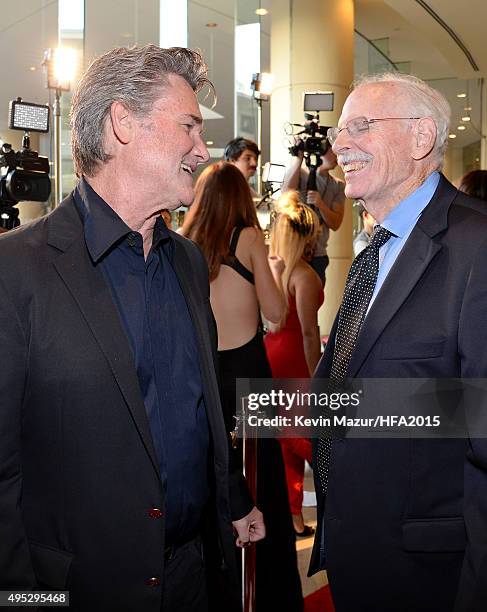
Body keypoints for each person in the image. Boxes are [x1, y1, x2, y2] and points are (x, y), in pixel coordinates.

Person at [0, 44, 264, 612]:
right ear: (123, 123)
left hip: (195, 576)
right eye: (189, 127)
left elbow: (198, 410)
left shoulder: (189, 262)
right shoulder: (16, 271)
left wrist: (232, 497)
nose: (203, 148)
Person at [310, 72, 487, 612]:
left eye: (361, 126)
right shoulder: (374, 251)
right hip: (357, 553)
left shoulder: (477, 246)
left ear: (421, 138)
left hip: (434, 573)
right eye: (341, 130)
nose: (340, 144)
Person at [182, 161, 303, 611]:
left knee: (213, 474)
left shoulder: (185, 244)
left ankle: (219, 588)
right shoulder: (248, 238)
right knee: (263, 480)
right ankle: (269, 594)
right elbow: (277, 311)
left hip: (204, 373)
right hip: (250, 372)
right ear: (239, 198)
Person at [264, 191, 322, 538]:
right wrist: (318, 373)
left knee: (285, 440)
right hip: (295, 358)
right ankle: (296, 514)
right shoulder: (305, 276)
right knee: (302, 440)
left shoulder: (276, 271)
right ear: (306, 235)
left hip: (270, 351)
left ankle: (290, 513)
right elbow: (310, 332)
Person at [281, 143, 345, 282]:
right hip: (294, 252)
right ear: (321, 151)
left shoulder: (338, 185)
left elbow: (336, 224)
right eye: (333, 151)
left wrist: (321, 205)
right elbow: (285, 194)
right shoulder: (301, 174)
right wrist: (299, 159)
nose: (338, 155)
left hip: (318, 255)